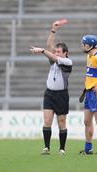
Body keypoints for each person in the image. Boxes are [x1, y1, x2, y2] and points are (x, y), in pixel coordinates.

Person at [30, 20, 72, 155]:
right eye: (56, 52)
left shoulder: (67, 62)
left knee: (61, 121)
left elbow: (49, 53)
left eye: (59, 52)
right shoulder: (53, 60)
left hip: (61, 95)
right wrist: (53, 30)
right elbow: (49, 48)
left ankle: (62, 148)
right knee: (47, 120)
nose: (57, 53)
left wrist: (42, 50)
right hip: (49, 94)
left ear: (65, 53)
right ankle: (47, 147)